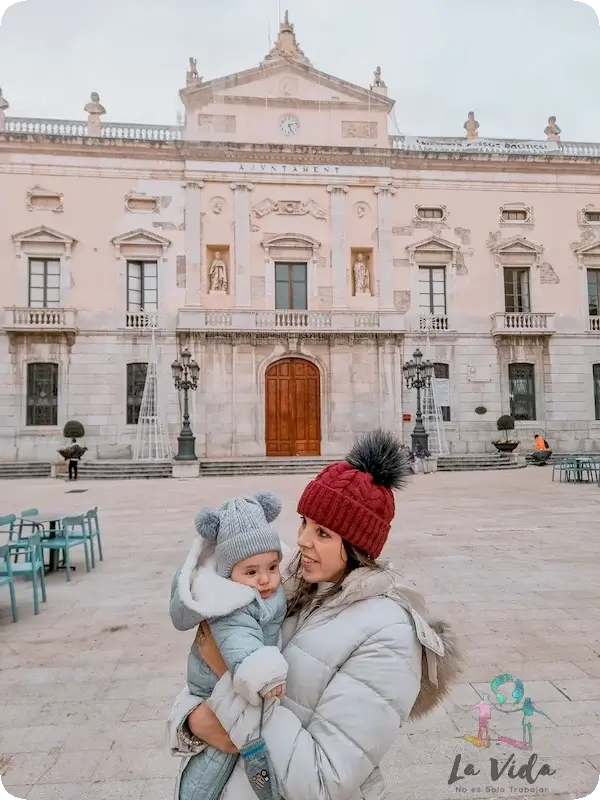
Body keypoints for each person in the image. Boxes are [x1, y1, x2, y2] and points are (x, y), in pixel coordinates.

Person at [167, 429, 461, 800]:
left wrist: (233, 676)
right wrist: (190, 723)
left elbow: (323, 782)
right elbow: (198, 680)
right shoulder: (283, 588)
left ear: (356, 546)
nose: (303, 539)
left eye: (323, 533)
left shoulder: (389, 636)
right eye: (304, 521)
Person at [170, 492, 288, 800]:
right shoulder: (230, 602)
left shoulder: (270, 591)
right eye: (251, 572)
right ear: (229, 574)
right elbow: (240, 643)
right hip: (219, 690)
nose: (265, 579)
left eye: (272, 567)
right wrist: (266, 676)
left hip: (229, 693)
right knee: (213, 768)